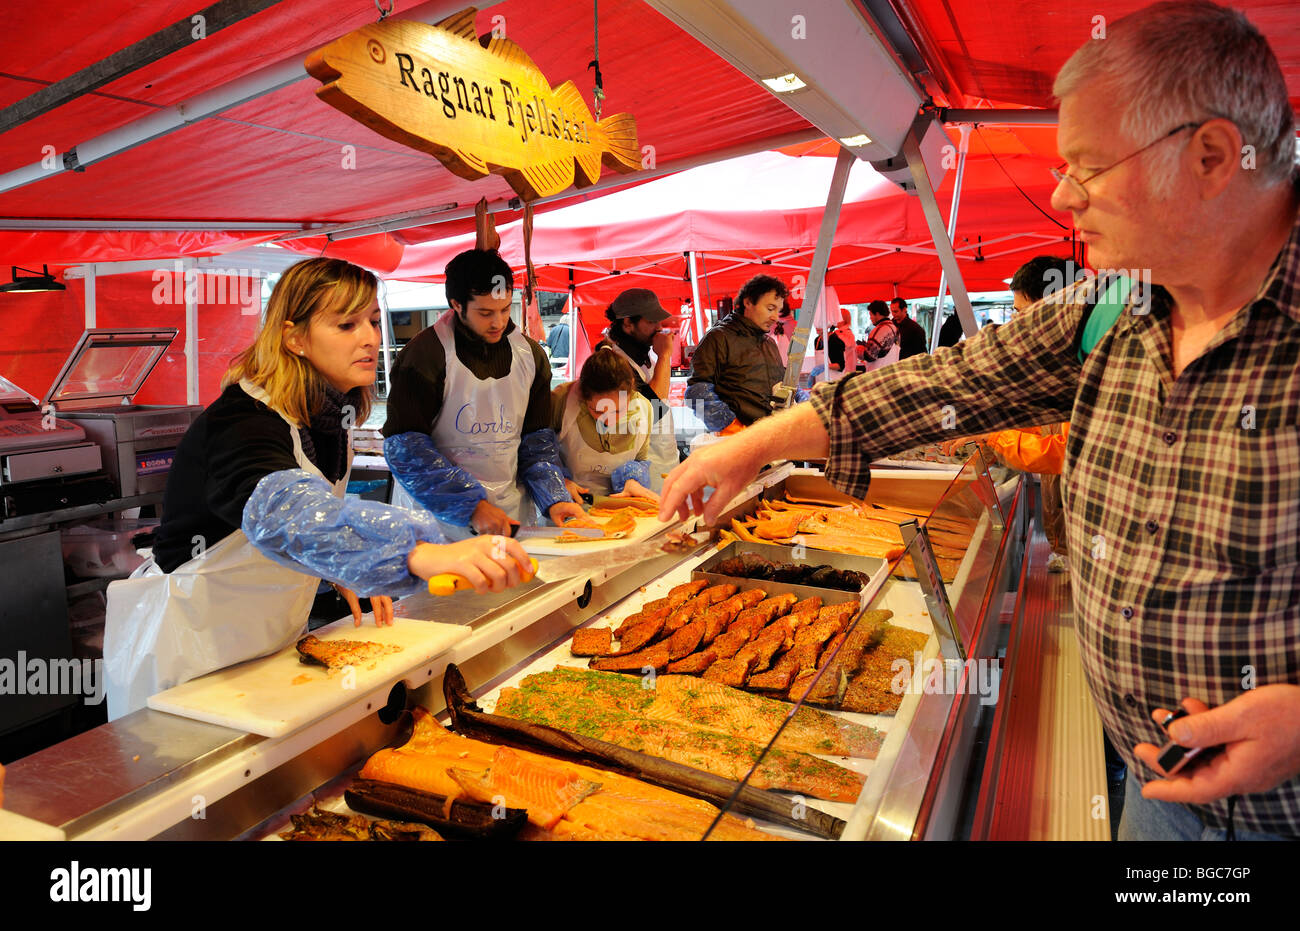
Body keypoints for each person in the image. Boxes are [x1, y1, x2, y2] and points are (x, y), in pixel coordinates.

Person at [662, 1, 1300, 841]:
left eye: (1089, 166)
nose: (1062, 193)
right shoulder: (1118, 304)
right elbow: (950, 379)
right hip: (1152, 786)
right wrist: (755, 443)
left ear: (1214, 155)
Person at [103, 258, 532, 718]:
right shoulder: (242, 423)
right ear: (295, 338)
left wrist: (339, 566)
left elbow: (310, 517)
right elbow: (282, 509)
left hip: (267, 648)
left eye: (370, 320)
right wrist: (413, 550)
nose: (369, 338)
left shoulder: (328, 419)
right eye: (346, 324)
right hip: (186, 653)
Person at [382, 249, 592, 537]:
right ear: (456, 304)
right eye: (485, 313)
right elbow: (406, 449)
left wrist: (553, 497)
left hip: (511, 516)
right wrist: (470, 505)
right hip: (438, 524)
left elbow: (537, 443)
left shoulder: (531, 355)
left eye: (505, 309)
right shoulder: (424, 355)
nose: (498, 322)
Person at [593, 288, 679, 489]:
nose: (659, 327)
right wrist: (665, 356)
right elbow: (654, 409)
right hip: (637, 477)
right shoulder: (611, 361)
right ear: (628, 323)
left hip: (662, 466)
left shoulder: (641, 353)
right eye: (651, 322)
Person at [685, 274, 787, 432]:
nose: (775, 317)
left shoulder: (769, 343)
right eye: (770, 308)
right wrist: (732, 428)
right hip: (735, 442)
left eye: (778, 311)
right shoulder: (718, 337)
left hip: (769, 437)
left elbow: (780, 382)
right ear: (748, 302)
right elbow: (696, 392)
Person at [552, 349, 657, 503]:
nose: (608, 421)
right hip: (569, 506)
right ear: (582, 395)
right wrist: (558, 482)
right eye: (598, 411)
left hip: (620, 505)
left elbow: (640, 460)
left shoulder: (644, 409)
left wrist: (632, 480)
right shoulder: (561, 401)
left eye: (618, 410)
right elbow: (540, 455)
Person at [861, 300, 900, 371]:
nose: (870, 318)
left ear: (877, 314)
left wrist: (859, 350)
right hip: (891, 372)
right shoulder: (895, 328)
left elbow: (869, 356)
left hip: (878, 374)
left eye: (871, 315)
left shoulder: (879, 330)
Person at [826, 308, 857, 381]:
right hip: (851, 373)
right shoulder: (850, 334)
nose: (833, 319)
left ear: (842, 319)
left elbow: (838, 364)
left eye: (836, 317)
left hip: (838, 376)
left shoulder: (835, 337)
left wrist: (824, 366)